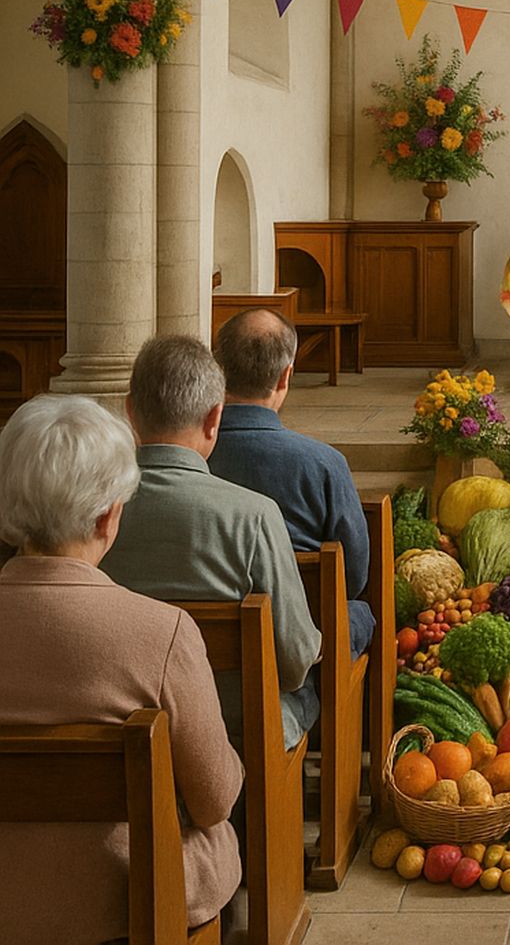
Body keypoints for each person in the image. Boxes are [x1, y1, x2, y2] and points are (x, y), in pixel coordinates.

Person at [0, 394, 243, 941]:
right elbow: (214, 798)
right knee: (216, 835)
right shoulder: (160, 631)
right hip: (119, 902)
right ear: (109, 515)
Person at [103, 333, 321, 749]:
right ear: (213, 418)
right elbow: (293, 664)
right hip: (234, 725)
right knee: (307, 692)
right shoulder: (253, 515)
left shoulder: (97, 516)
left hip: (123, 718)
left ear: (130, 412)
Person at [211, 307, 373, 659]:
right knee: (360, 615)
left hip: (203, 640)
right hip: (299, 648)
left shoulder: (194, 456)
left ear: (218, 369)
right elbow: (354, 577)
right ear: (286, 376)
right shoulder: (323, 464)